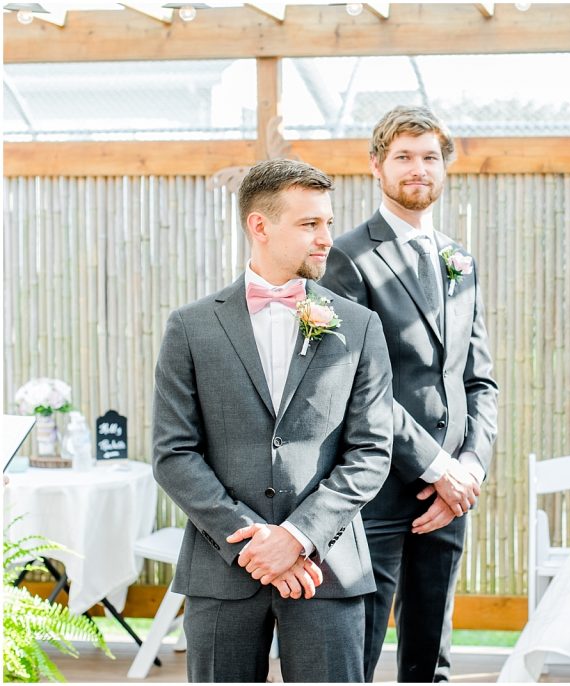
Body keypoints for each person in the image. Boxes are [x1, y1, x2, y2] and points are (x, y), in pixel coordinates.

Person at [152, 158, 393, 683]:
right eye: (309, 224)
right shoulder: (191, 328)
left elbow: (372, 451)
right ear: (259, 226)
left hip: (325, 572)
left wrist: (299, 537)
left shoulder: (360, 326)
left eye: (327, 222)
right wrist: (252, 539)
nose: (326, 237)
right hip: (223, 571)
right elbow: (173, 453)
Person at [321, 105, 499, 682]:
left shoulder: (460, 260)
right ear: (377, 166)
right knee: (360, 652)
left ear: (443, 168)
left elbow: (479, 379)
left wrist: (469, 467)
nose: (417, 168)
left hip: (451, 496)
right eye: (403, 157)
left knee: (431, 657)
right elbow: (357, 386)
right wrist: (435, 466)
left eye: (429, 157)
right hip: (377, 490)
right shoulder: (347, 258)